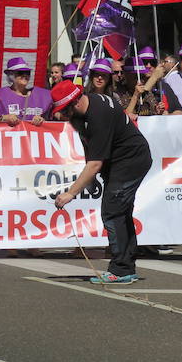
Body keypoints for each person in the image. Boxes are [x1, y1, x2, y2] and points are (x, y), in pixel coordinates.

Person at [51, 81, 153, 284]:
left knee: (112, 212)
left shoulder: (98, 115)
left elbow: (95, 163)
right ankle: (127, 266)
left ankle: (121, 269)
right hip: (120, 162)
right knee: (121, 213)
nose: (63, 114)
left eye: (65, 109)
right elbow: (91, 149)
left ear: (76, 102)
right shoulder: (85, 110)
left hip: (130, 161)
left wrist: (70, 193)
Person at [0, 57, 52, 124]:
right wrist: (3, 119)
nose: (25, 75)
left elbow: (51, 122)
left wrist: (42, 120)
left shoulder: (42, 95)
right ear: (11, 75)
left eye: (27, 72)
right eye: (21, 72)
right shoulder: (0, 95)